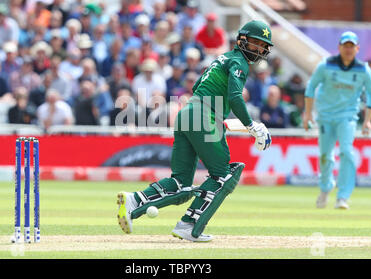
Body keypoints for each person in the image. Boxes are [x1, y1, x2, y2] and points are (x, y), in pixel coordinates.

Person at [116, 20, 273, 242]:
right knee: (223, 176)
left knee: (180, 182)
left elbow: (198, 85)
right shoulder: (239, 62)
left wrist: (218, 119)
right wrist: (251, 124)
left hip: (188, 112)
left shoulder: (222, 59)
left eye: (262, 45)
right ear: (242, 40)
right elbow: (235, 96)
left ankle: (135, 199)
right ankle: (189, 225)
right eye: (256, 43)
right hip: (204, 116)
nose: (259, 49)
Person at [303, 31, 371, 210]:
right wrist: (308, 114)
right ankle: (325, 188)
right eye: (345, 46)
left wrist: (367, 120)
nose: (348, 49)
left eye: (351, 46)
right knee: (325, 156)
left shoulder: (363, 69)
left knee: (346, 152)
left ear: (357, 48)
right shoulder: (326, 65)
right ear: (339, 47)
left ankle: (343, 196)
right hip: (326, 116)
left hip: (347, 116)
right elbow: (311, 86)